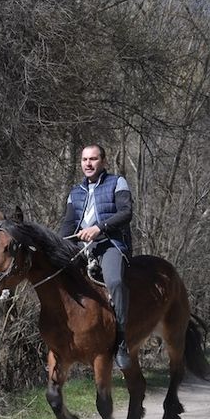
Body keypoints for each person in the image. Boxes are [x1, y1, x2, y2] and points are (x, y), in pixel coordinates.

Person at [58, 144, 134, 370]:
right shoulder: (75, 192)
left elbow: (126, 213)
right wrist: (58, 245)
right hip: (82, 247)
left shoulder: (117, 182)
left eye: (93, 159)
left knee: (116, 282)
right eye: (84, 159)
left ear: (103, 161)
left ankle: (121, 341)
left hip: (110, 243)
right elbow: (68, 224)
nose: (88, 164)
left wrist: (99, 228)